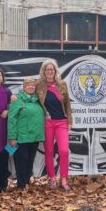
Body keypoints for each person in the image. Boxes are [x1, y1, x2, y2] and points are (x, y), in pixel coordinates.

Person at [36, 59, 72, 190]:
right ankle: (52, 178)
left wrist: (70, 122)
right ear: (43, 71)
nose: (50, 71)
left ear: (55, 71)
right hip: (47, 122)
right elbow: (29, 94)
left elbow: (67, 104)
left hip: (61, 122)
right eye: (47, 69)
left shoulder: (62, 84)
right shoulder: (38, 85)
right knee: (49, 151)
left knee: (63, 151)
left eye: (52, 69)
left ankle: (63, 179)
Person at [7, 77, 45, 189]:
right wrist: (12, 138)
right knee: (21, 163)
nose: (31, 87)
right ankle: (21, 185)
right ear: (23, 87)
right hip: (21, 138)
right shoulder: (17, 100)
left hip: (35, 137)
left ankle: (27, 183)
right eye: (28, 85)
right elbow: (11, 119)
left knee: (30, 161)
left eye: (33, 85)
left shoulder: (38, 100)